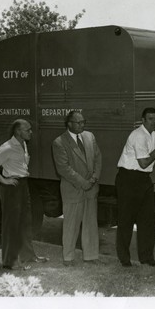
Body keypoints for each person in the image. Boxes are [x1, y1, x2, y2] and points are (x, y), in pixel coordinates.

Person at [0, 119, 49, 270]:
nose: (31, 132)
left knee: (26, 222)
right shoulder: (8, 147)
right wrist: (3, 180)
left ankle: (28, 256)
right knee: (11, 225)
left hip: (23, 185)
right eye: (28, 130)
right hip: (11, 189)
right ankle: (10, 262)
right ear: (18, 131)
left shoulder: (23, 144)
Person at [115, 107, 155, 267]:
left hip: (143, 179)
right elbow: (144, 162)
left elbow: (154, 155)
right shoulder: (138, 136)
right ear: (143, 120)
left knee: (148, 220)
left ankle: (147, 258)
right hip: (128, 179)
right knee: (126, 220)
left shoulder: (152, 134)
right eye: (150, 119)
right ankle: (124, 259)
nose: (154, 122)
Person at [52, 110, 102, 267]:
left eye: (83, 122)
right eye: (79, 122)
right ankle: (68, 257)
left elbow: (98, 158)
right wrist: (84, 183)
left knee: (91, 224)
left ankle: (91, 256)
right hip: (73, 189)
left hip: (91, 188)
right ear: (69, 124)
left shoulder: (90, 136)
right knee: (71, 225)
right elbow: (64, 168)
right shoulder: (59, 142)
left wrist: (93, 178)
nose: (82, 125)